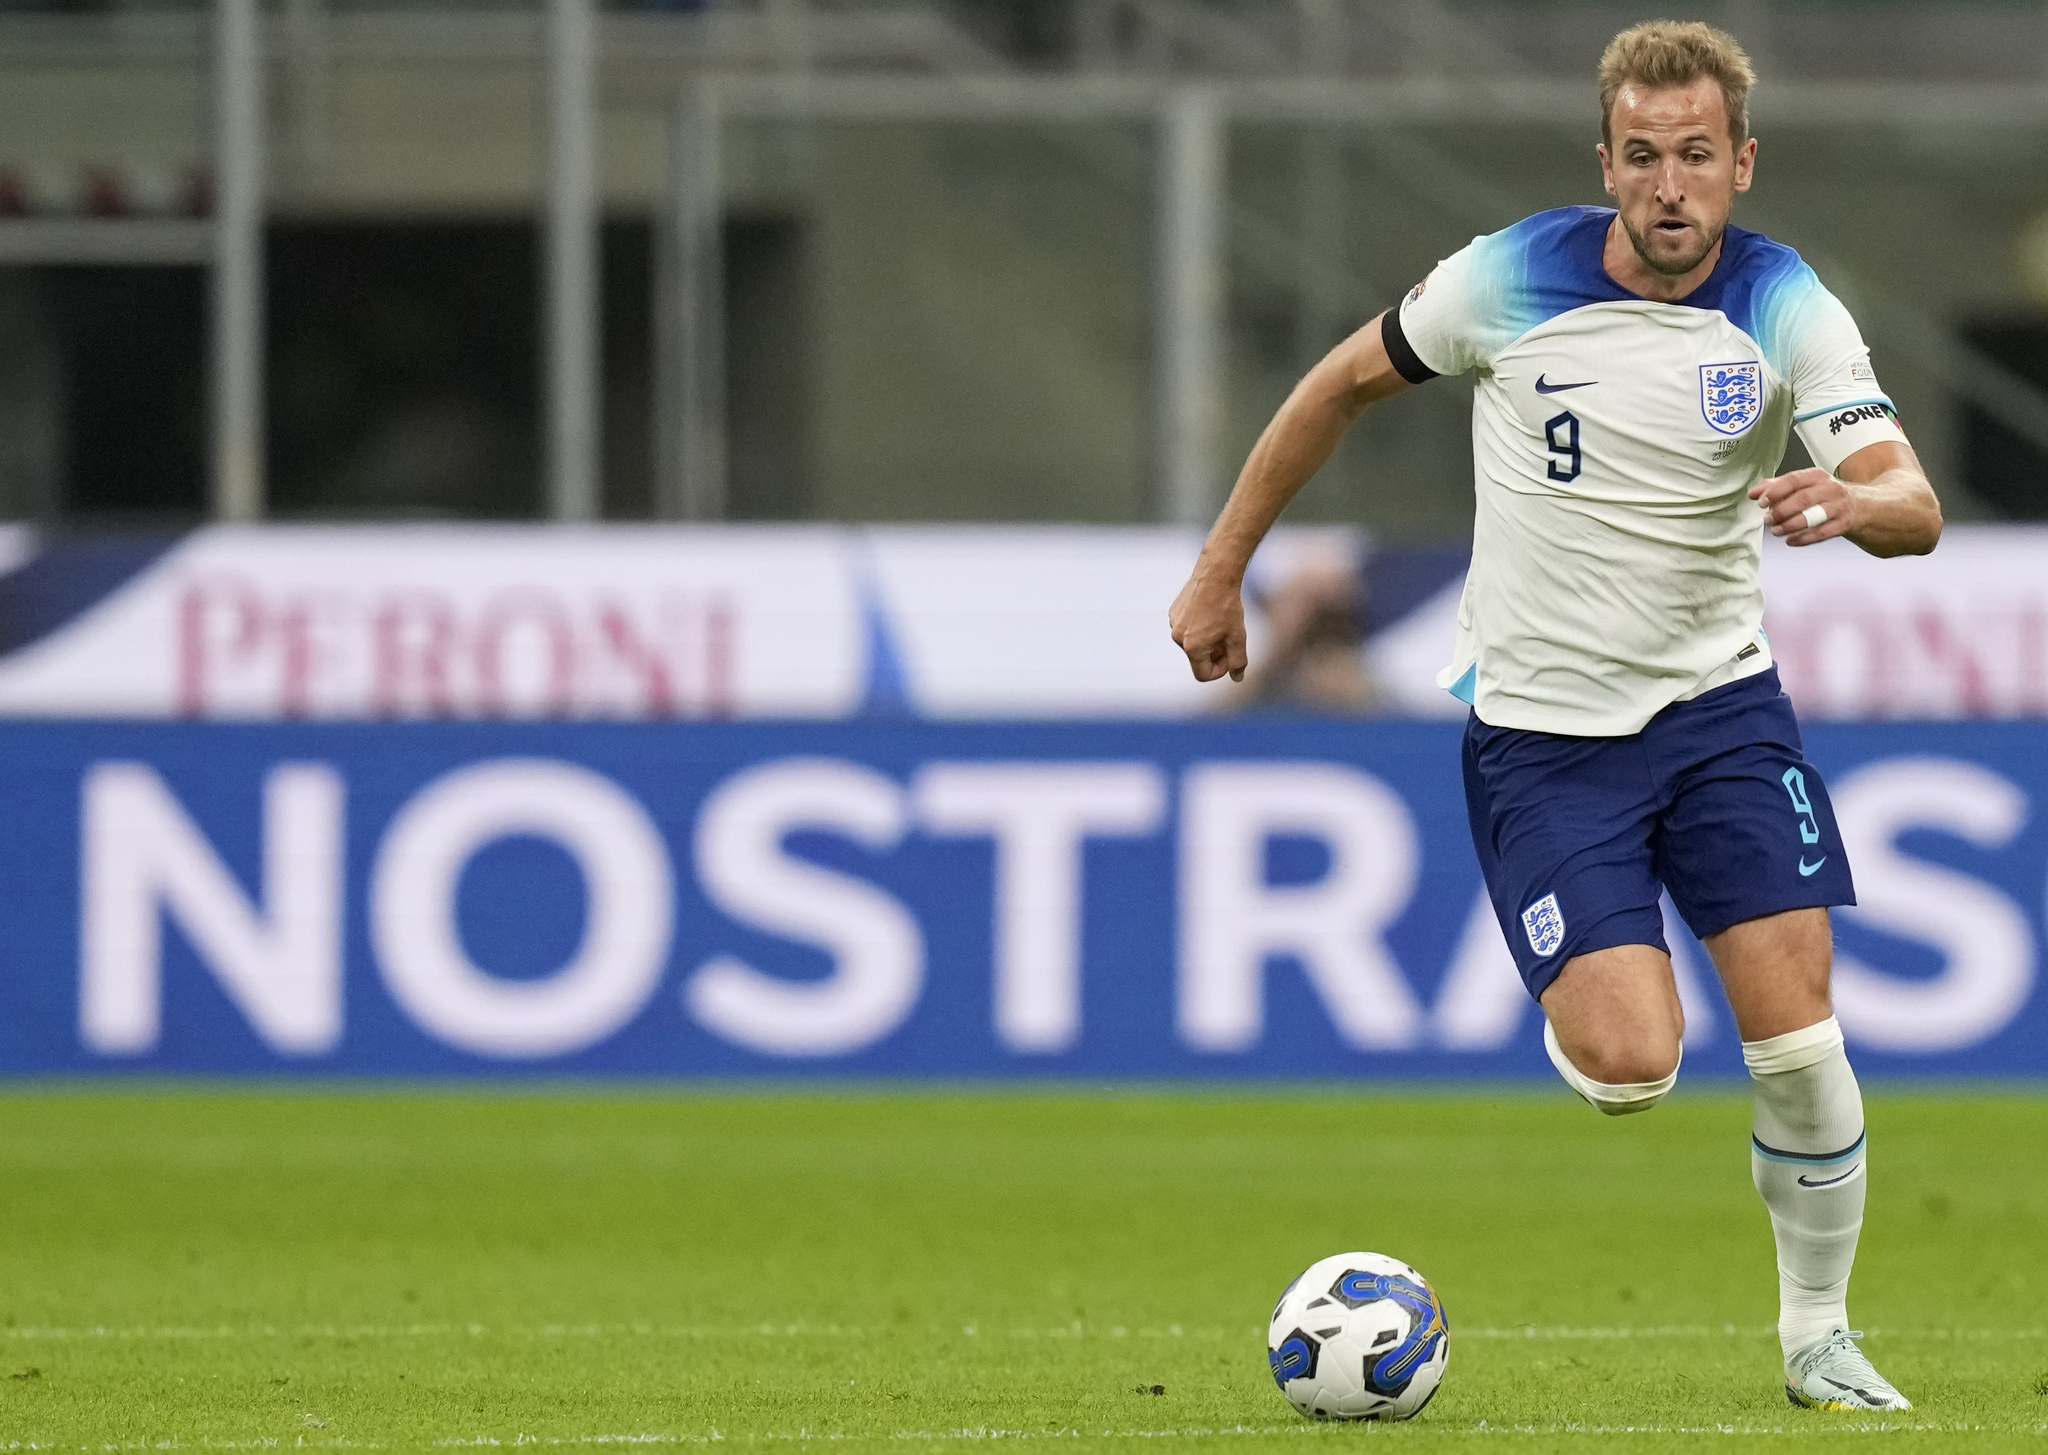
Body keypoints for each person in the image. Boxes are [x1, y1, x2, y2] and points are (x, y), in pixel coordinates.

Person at [1167, 19, 1939, 1413]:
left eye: (1696, 156)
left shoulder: (1784, 306)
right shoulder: (1505, 277)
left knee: (1801, 1039)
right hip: (1543, 743)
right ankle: (1584, 1006)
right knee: (1633, 1065)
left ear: (1741, 163)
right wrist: (1224, 568)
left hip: (1722, 719)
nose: (1668, 186)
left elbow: (1914, 500)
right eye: (1642, 157)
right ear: (1607, 161)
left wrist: (1853, 500)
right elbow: (1335, 385)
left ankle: (1818, 1337)